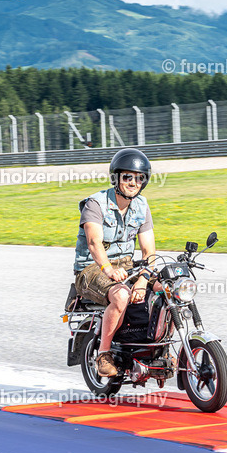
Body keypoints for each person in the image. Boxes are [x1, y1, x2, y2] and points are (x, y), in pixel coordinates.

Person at [73, 149, 157, 377]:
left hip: (127, 265)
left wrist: (143, 279)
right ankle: (104, 353)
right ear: (117, 178)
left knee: (171, 287)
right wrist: (108, 268)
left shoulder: (142, 206)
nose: (133, 182)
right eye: (128, 177)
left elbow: (149, 250)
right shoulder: (96, 204)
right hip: (92, 268)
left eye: (139, 177)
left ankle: (156, 346)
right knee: (120, 295)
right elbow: (93, 242)